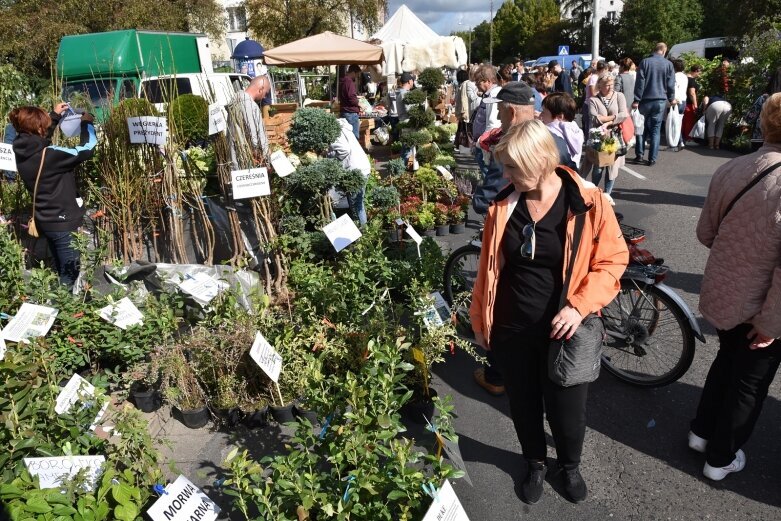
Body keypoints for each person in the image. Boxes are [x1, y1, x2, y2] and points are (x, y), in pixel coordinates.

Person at [470, 119, 627, 504]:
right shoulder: (504, 205)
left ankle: (569, 466)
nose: (504, 174)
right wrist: (480, 320)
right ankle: (535, 462)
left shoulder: (588, 202)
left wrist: (579, 306)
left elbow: (612, 261)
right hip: (512, 326)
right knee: (523, 404)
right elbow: (488, 269)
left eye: (512, 167)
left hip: (566, 331)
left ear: (540, 162)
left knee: (567, 412)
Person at [688, 92, 781, 482]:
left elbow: (706, 232)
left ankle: (700, 433)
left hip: (724, 290)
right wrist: (772, 325)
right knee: (750, 381)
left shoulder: (733, 168)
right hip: (764, 304)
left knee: (726, 361)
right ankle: (720, 458)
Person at [10, 104, 97, 287]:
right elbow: (87, 149)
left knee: (61, 269)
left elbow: (38, 142)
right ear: (39, 127)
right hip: (62, 222)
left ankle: (62, 307)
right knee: (69, 275)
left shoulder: (22, 152)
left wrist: (55, 116)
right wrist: (87, 124)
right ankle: (65, 311)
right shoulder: (51, 155)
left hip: (45, 220)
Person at [586, 74, 628, 199]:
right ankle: (594, 192)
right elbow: (595, 118)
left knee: (612, 167)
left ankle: (607, 194)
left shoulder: (619, 96)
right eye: (606, 85)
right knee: (598, 166)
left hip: (615, 136)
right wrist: (615, 117)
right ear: (600, 85)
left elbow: (624, 115)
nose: (610, 87)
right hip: (599, 137)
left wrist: (609, 121)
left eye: (611, 84)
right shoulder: (594, 100)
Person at [633, 42, 675, 166]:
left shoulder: (645, 62)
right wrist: (671, 98)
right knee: (655, 130)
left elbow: (640, 82)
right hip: (660, 101)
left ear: (655, 49)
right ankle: (652, 159)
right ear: (664, 50)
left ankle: (639, 155)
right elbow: (670, 84)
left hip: (645, 100)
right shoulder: (669, 64)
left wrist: (636, 99)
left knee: (641, 127)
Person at [328, 118, 371, 226]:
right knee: (358, 204)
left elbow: (343, 150)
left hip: (354, 170)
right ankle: (365, 233)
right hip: (362, 167)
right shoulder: (344, 127)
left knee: (356, 205)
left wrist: (328, 155)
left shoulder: (333, 131)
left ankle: (363, 234)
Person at [228, 75, 271, 168]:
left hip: (237, 159)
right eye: (265, 93)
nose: (264, 97)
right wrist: (266, 158)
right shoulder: (248, 105)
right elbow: (254, 136)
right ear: (261, 89)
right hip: (248, 163)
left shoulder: (235, 101)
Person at [471, 65, 502, 179]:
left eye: (478, 82)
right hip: (484, 144)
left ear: (488, 81)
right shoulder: (489, 95)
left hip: (486, 146)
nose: (476, 85)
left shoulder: (494, 96)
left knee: (488, 177)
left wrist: (480, 142)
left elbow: (493, 123)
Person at [541, 92, 584, 166]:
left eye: (543, 112)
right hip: (571, 173)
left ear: (560, 116)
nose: (540, 115)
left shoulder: (549, 133)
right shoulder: (576, 130)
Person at [339, 64, 362, 140]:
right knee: (354, 137)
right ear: (353, 72)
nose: (356, 77)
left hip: (344, 111)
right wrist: (360, 104)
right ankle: (354, 151)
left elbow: (347, 95)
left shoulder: (343, 81)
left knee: (347, 137)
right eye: (357, 74)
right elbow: (351, 98)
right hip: (350, 113)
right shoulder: (349, 82)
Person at [669, 58, 688, 151]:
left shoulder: (674, 76)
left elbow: (674, 89)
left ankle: (676, 142)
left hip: (676, 101)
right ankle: (680, 141)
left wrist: (672, 99)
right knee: (679, 123)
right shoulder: (685, 76)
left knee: (673, 123)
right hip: (684, 101)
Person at [681, 64, 703, 142]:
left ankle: (680, 138)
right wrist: (695, 105)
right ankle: (688, 139)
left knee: (682, 121)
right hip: (689, 104)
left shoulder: (684, 78)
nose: (700, 74)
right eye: (700, 72)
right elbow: (692, 93)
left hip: (682, 102)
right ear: (696, 71)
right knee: (689, 122)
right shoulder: (691, 80)